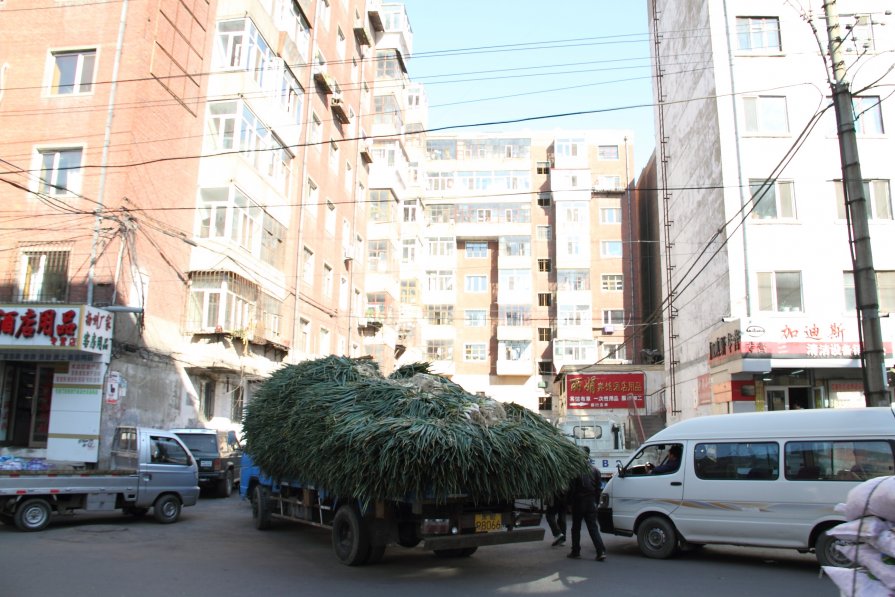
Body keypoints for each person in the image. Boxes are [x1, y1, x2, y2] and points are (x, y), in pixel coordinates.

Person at [567, 448, 607, 561]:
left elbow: (571, 489)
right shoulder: (595, 470)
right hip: (591, 502)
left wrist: (569, 503)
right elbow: (599, 489)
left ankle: (576, 551)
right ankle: (601, 551)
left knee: (576, 528)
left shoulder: (575, 471)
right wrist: (596, 502)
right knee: (593, 527)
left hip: (579, 502)